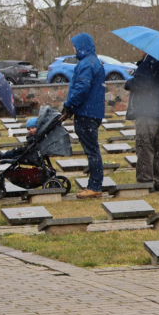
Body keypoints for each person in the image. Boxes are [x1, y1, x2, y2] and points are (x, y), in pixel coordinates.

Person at [61, 33, 105, 199]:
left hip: (86, 113)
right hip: (92, 112)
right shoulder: (93, 61)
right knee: (92, 150)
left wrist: (69, 104)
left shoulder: (87, 64)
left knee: (92, 151)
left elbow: (81, 88)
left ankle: (95, 186)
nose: (73, 49)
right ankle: (94, 184)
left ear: (82, 46)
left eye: (75, 45)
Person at [125, 53, 159, 193]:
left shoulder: (148, 65)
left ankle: (145, 181)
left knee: (144, 146)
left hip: (147, 111)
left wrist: (129, 83)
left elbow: (141, 85)